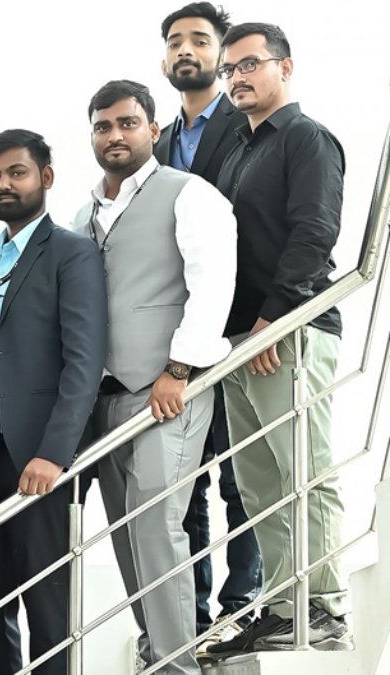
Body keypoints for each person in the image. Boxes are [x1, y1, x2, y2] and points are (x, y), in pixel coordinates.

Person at [73, 79, 236, 674]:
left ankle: (176, 665)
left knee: (157, 526)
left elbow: (212, 284)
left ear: (153, 129)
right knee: (125, 533)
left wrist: (178, 368)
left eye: (127, 123)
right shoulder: (83, 213)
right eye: (103, 126)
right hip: (103, 399)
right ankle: (154, 649)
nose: (115, 135)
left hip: (166, 390)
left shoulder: (189, 193)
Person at [207, 22, 350, 658]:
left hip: (289, 330)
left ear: (284, 67)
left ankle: (324, 607)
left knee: (304, 471)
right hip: (239, 340)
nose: (236, 78)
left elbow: (314, 232)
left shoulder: (306, 138)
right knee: (261, 485)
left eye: (248, 65)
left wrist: (276, 318)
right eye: (228, 70)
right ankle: (286, 606)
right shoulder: (238, 150)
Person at [0, 129, 107, 675]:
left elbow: (84, 361)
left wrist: (55, 453)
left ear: (45, 177)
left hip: (44, 455)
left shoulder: (72, 253)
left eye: (16, 172)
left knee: (48, 603)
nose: (4, 184)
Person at [155, 3, 262, 655]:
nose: (185, 50)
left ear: (222, 55)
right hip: (176, 343)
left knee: (242, 478)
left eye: (199, 39)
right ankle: (189, 618)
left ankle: (242, 606)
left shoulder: (250, 128)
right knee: (185, 487)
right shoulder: (156, 141)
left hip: (241, 333)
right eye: (175, 41)